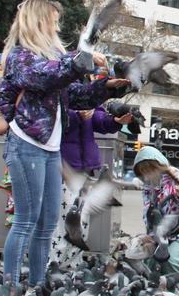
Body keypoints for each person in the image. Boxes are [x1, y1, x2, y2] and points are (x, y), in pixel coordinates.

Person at [0, 0, 129, 287]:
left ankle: (38, 287)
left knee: (46, 226)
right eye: (54, 21)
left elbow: (75, 96)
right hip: (27, 145)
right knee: (26, 222)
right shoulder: (21, 57)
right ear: (40, 22)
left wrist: (106, 87)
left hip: (50, 149)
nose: (58, 27)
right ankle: (11, 290)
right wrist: (78, 58)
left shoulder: (53, 58)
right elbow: (45, 78)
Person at [49, 105, 133, 270]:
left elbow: (97, 115)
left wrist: (113, 120)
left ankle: (73, 265)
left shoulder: (85, 85)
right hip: (63, 165)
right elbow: (52, 118)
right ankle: (54, 266)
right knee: (61, 223)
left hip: (84, 168)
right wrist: (77, 115)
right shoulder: (59, 85)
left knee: (81, 222)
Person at [134, 146, 179, 273]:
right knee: (151, 260)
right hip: (163, 232)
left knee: (171, 261)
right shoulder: (147, 186)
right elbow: (148, 213)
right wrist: (151, 235)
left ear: (157, 166)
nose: (146, 173)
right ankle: (155, 288)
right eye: (142, 171)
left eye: (148, 169)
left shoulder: (176, 176)